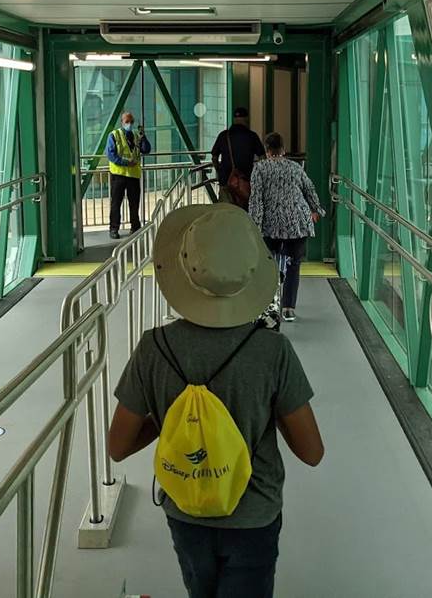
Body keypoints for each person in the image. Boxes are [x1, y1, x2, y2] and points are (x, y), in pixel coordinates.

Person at [108, 204, 324, 598]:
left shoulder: (153, 349)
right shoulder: (272, 352)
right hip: (253, 514)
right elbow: (312, 451)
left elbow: (117, 446)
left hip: (185, 507)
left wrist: (174, 414)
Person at [249, 132, 325, 323]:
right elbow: (310, 189)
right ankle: (289, 309)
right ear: (283, 150)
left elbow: (256, 200)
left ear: (267, 150)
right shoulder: (295, 167)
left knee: (267, 263)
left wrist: (255, 226)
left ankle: (269, 305)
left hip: (271, 224)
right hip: (297, 223)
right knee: (294, 264)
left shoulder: (260, 169)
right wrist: (316, 210)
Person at [106, 111, 152, 239]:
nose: (130, 124)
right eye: (127, 121)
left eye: (131, 121)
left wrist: (144, 137)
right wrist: (126, 163)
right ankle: (114, 229)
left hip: (133, 176)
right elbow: (111, 154)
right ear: (122, 122)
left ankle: (135, 227)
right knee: (116, 203)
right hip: (118, 175)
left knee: (134, 203)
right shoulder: (114, 135)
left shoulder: (137, 136)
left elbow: (146, 150)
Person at [210, 107, 265, 207]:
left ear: (234, 120)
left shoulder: (223, 136)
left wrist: (219, 170)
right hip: (246, 182)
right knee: (245, 213)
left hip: (226, 181)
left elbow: (214, 157)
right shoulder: (252, 136)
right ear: (246, 119)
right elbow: (262, 158)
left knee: (226, 211)